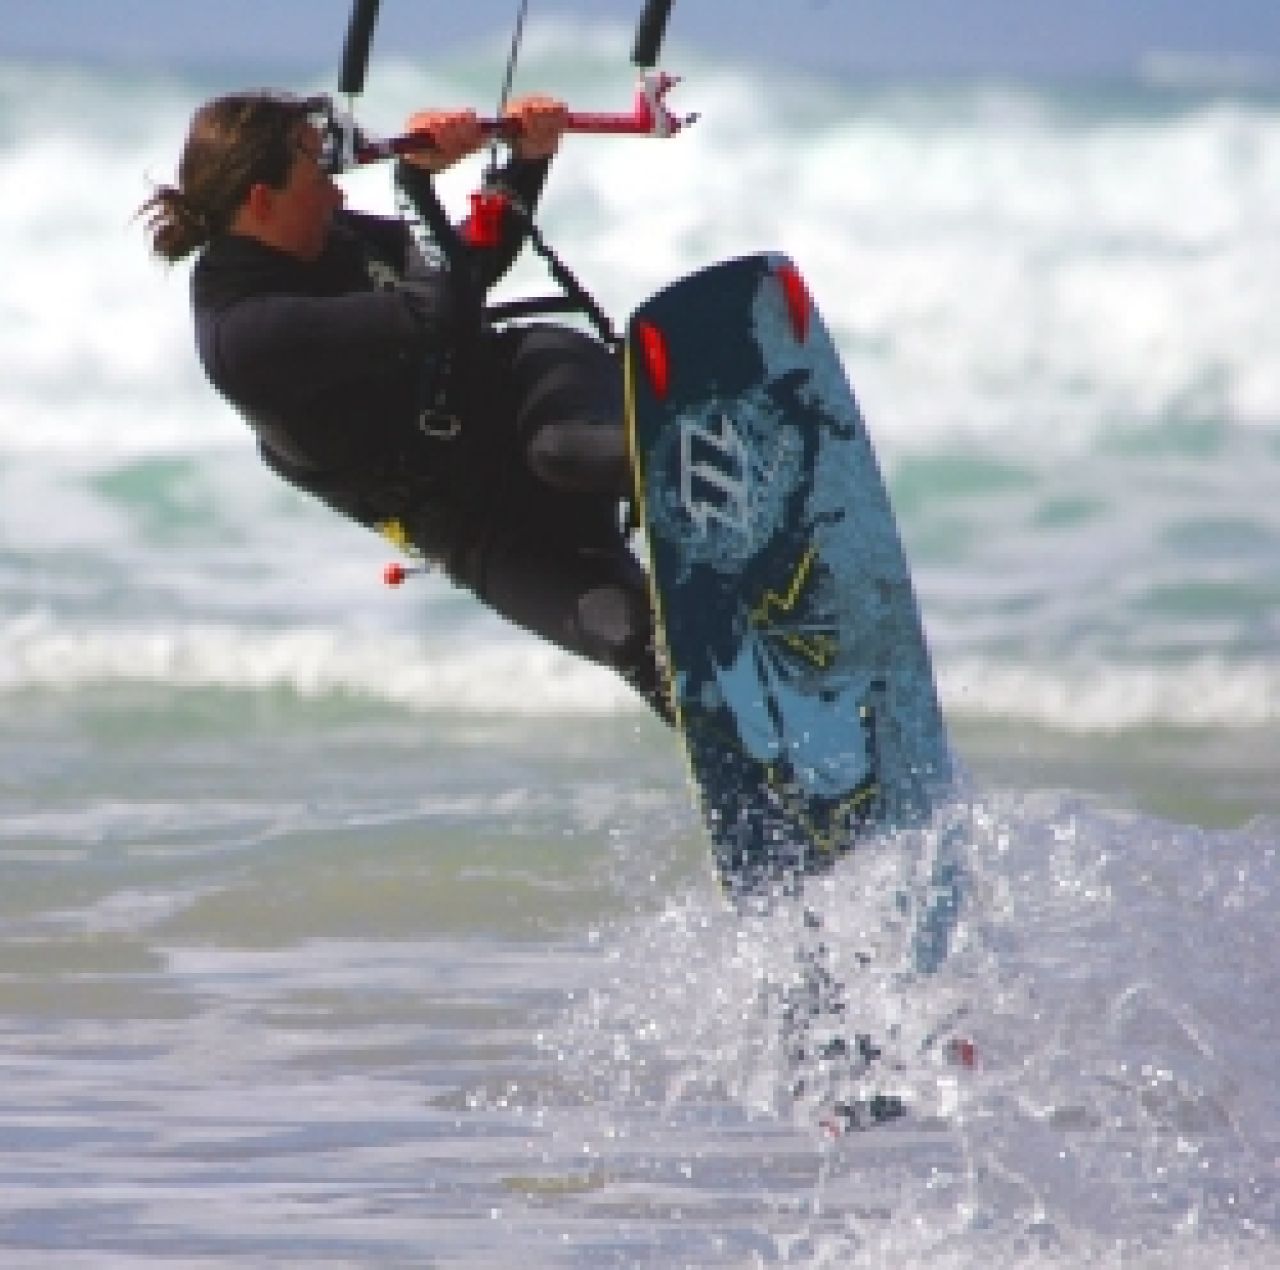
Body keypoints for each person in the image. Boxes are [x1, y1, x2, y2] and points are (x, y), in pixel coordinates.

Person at [139, 89, 670, 720]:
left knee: (568, 453)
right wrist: (413, 184)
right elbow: (435, 309)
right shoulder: (246, 332)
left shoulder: (325, 237)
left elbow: (465, 269)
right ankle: (778, 787)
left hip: (532, 391)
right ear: (261, 200)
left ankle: (738, 452)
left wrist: (526, 160)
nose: (337, 193)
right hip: (484, 529)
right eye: (317, 171)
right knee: (632, 638)